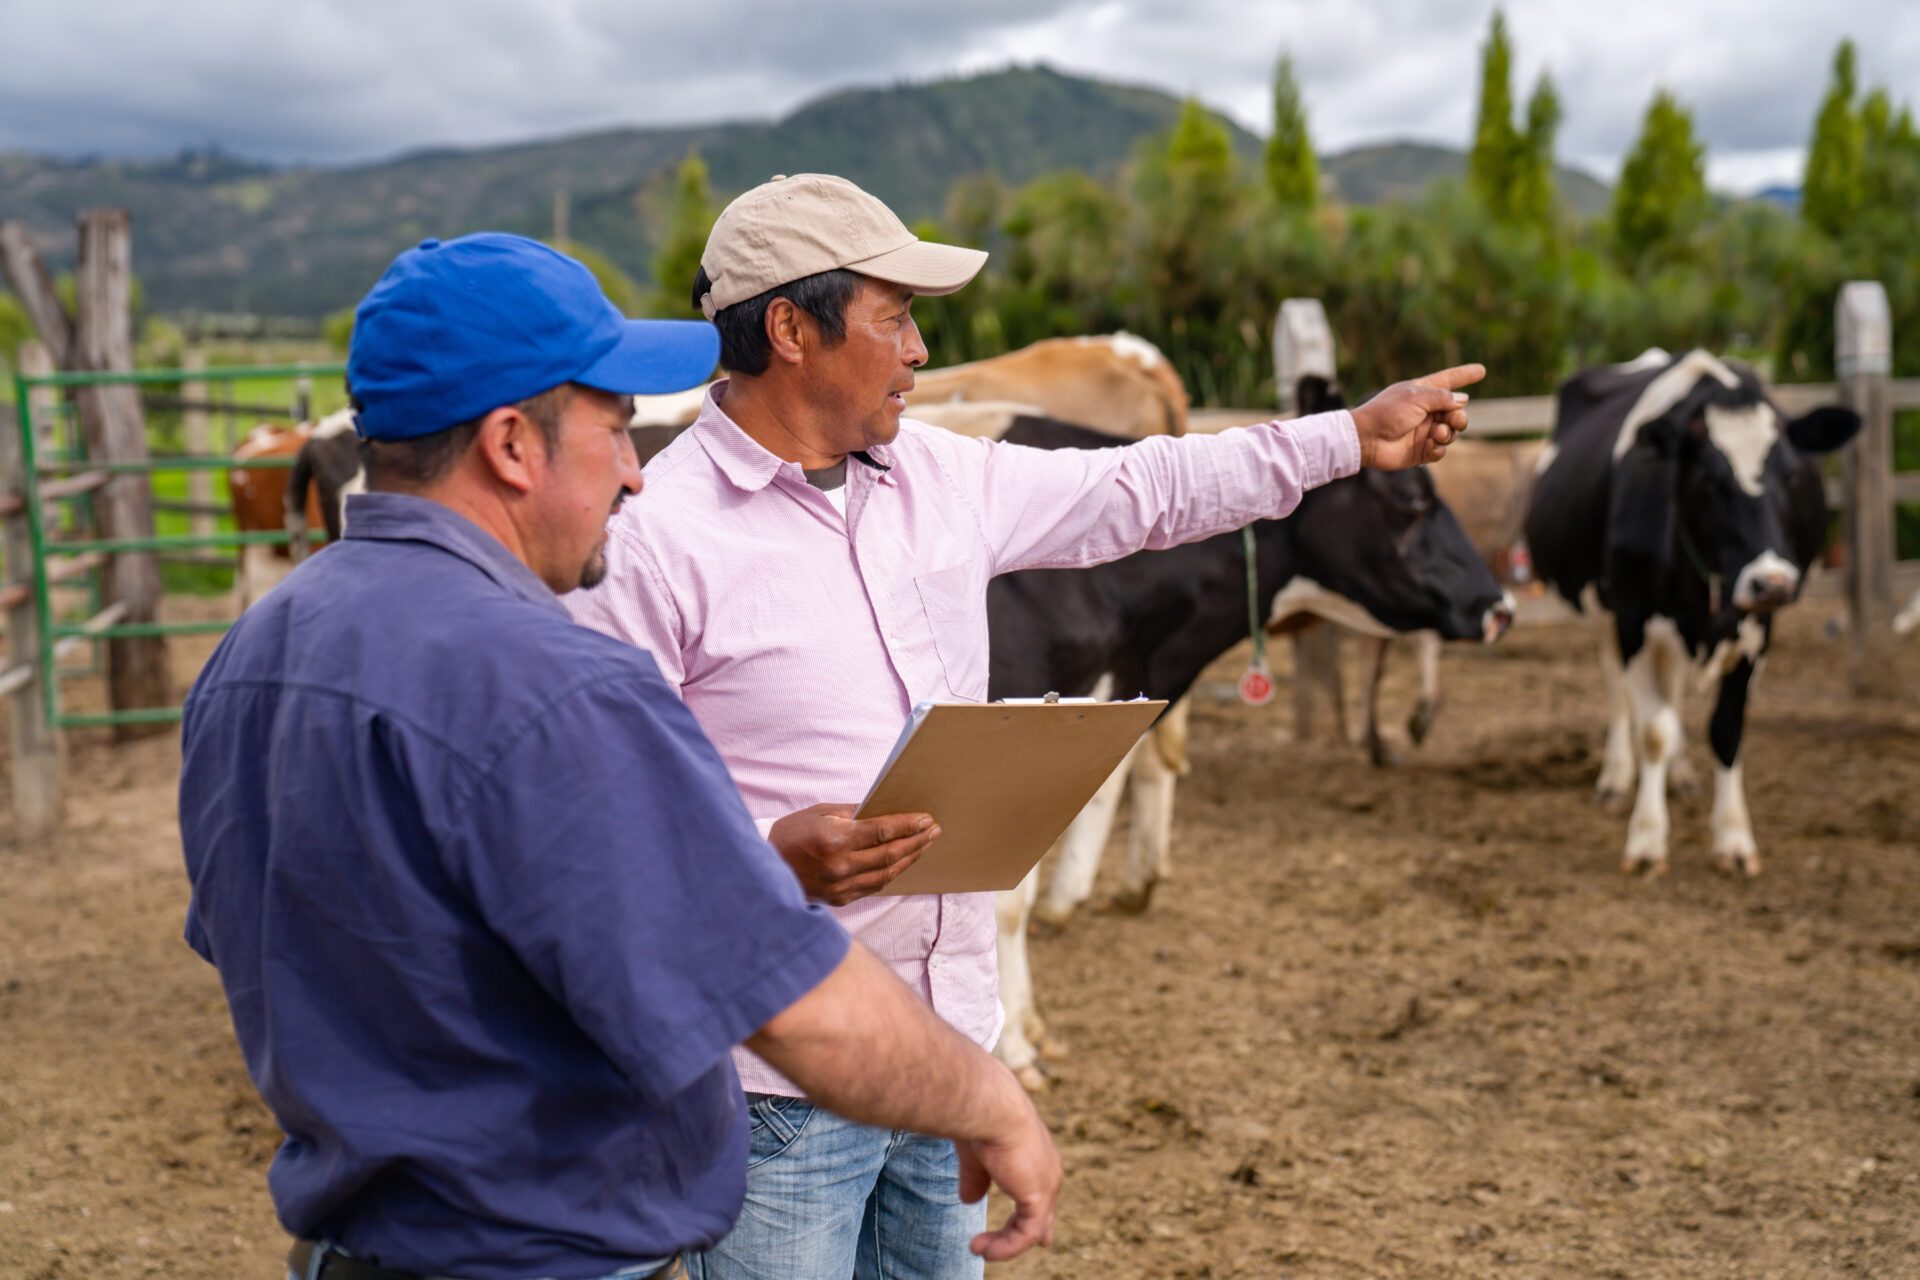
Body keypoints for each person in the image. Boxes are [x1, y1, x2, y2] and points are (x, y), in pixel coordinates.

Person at [565, 173, 1480, 1280]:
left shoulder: (941, 476)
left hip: (949, 1054)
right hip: (774, 1088)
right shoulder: (654, 537)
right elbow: (604, 826)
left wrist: (1345, 436)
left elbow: (1146, 488)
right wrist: (767, 859)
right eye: (894, 315)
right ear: (793, 329)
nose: (917, 350)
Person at [176, 232, 1059, 1280]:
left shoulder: (255, 655)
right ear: (513, 444)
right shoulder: (561, 684)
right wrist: (989, 1096)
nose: (639, 475)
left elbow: (247, 938)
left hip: (349, 1245)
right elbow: (788, 998)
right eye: (615, 427)